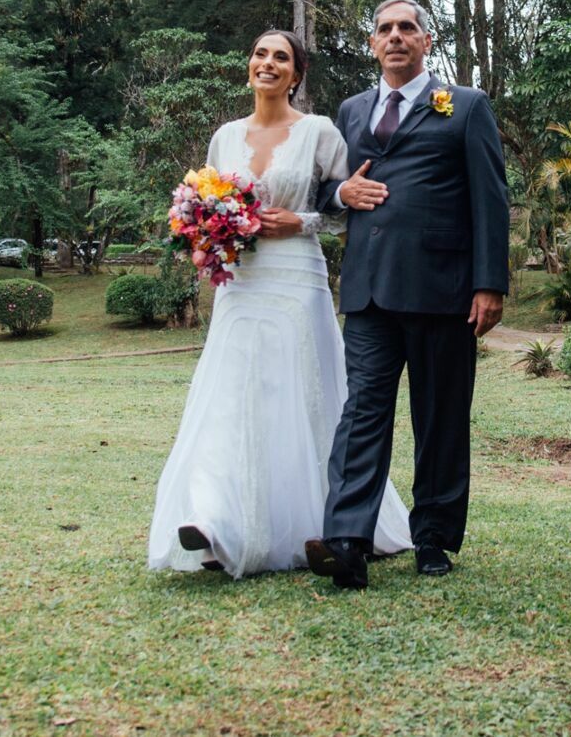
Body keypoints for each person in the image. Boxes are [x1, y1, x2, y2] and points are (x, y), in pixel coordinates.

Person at [147, 29, 411, 578]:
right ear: (250, 65)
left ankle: (328, 520)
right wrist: (207, 233)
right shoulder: (224, 138)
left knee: (304, 394)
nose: (268, 63)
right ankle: (214, 521)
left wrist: (301, 220)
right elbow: (212, 204)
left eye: (281, 58)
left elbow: (348, 209)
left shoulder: (318, 132)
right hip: (240, 282)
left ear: (297, 74)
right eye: (261, 53)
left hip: (299, 275)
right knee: (229, 394)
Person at [305, 0, 509, 589]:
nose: (396, 36)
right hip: (368, 290)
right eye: (385, 29)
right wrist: (340, 196)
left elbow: (489, 199)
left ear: (426, 41)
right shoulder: (350, 111)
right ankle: (346, 538)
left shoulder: (465, 106)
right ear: (373, 44)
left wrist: (489, 283)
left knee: (441, 416)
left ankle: (434, 538)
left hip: (444, 291)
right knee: (362, 411)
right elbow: (323, 190)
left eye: (407, 28)